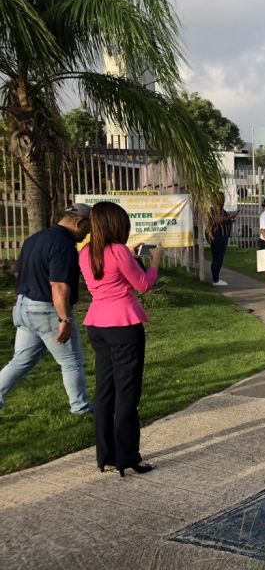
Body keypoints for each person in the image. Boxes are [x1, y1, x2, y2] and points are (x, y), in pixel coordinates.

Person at [79, 202, 162, 477]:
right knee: (127, 392)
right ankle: (128, 455)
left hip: (97, 324)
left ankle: (107, 455)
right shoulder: (118, 251)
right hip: (124, 325)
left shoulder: (86, 252)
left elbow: (108, 279)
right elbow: (144, 285)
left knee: (105, 391)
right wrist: (155, 261)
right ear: (117, 225)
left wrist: (132, 258)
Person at [0, 204, 92, 415]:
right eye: (88, 228)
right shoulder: (64, 244)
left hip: (23, 306)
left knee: (21, 361)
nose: (88, 233)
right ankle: (81, 408)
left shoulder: (34, 239)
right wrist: (65, 320)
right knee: (71, 362)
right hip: (47, 311)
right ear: (79, 222)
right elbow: (58, 286)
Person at [208, 193, 238, 287]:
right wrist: (231, 217)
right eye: (221, 198)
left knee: (219, 258)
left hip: (223, 235)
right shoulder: (214, 209)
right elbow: (218, 220)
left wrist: (230, 219)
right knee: (217, 257)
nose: (223, 200)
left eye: (223, 198)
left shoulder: (222, 210)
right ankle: (215, 279)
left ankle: (216, 278)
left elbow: (223, 220)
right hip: (218, 235)